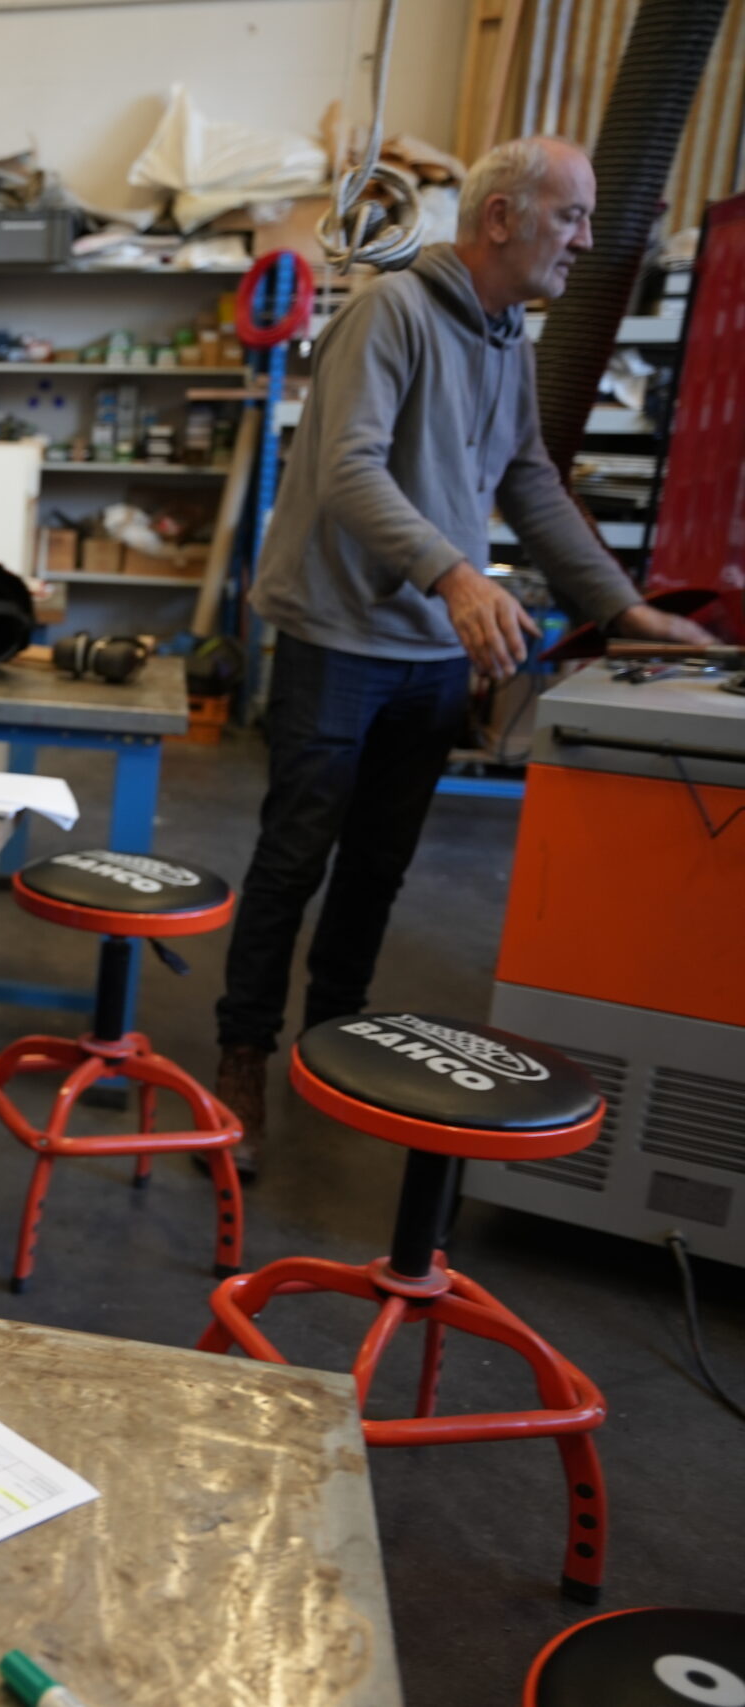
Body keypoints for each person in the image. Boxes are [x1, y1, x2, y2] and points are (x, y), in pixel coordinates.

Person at [215, 135, 716, 1175]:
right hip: (337, 635)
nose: (586, 240)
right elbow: (349, 469)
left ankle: (330, 1043)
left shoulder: (507, 339)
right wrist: (454, 574)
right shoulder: (389, 312)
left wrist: (625, 610)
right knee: (295, 856)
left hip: (431, 652)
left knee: (378, 866)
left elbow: (528, 480)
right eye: (571, 215)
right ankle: (242, 1056)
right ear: (500, 219)